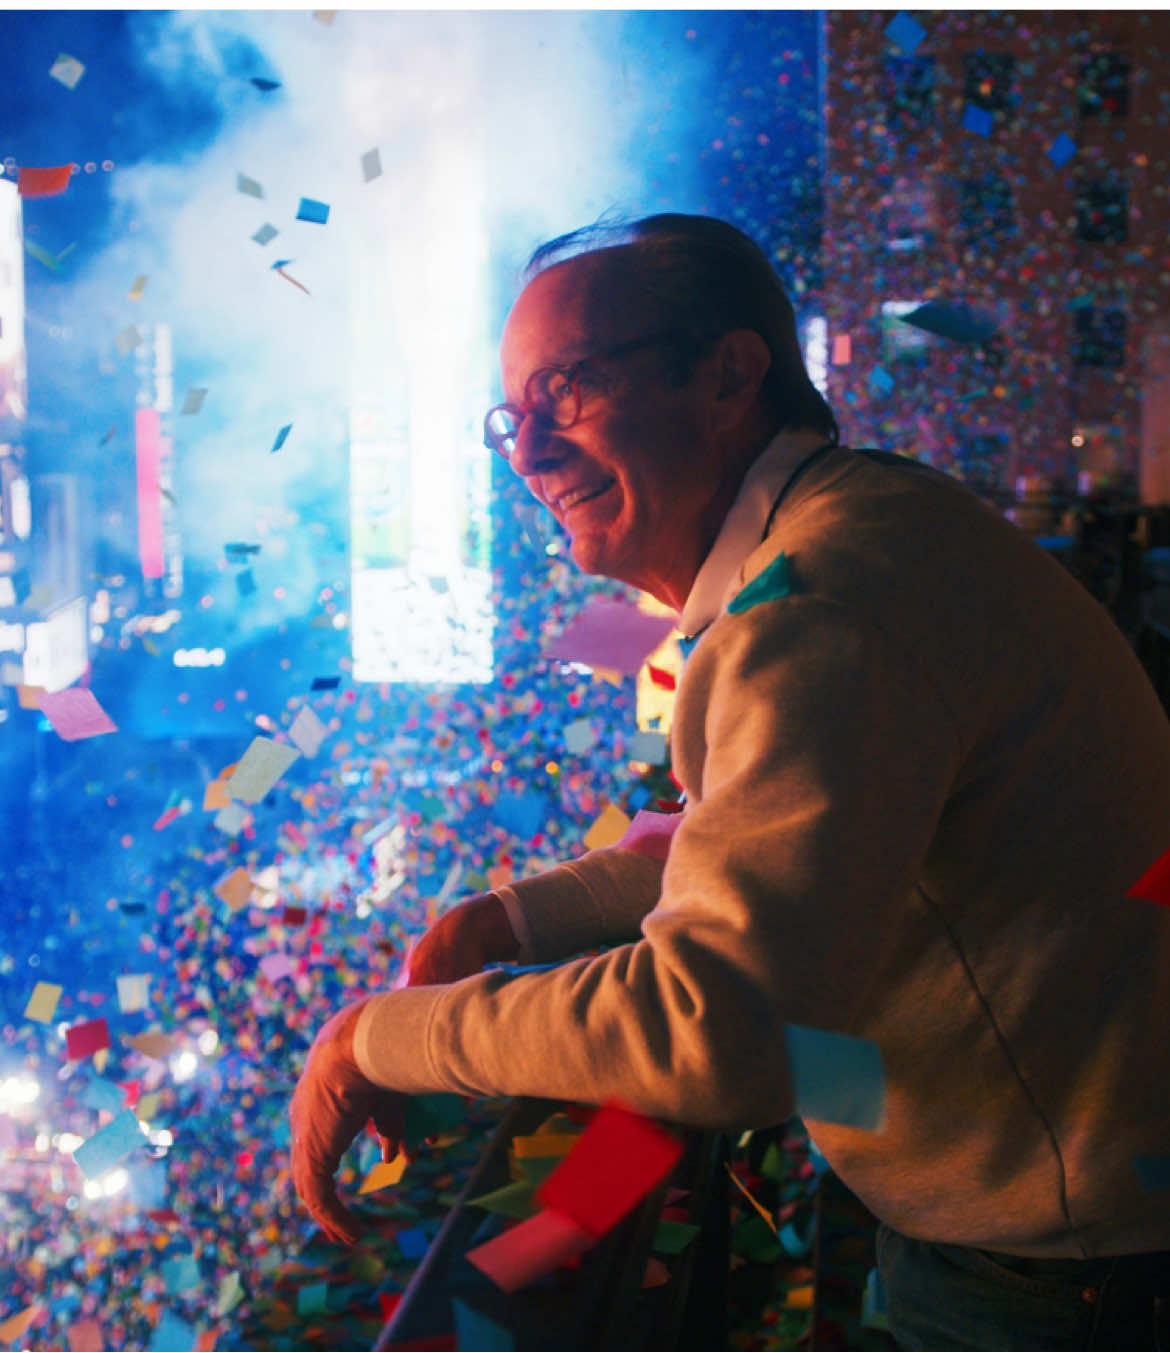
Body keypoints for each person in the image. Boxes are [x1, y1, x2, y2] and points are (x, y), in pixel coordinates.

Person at [290, 213, 1170, 1349]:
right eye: (514, 416)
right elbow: (743, 831)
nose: (527, 453)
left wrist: (379, 1037)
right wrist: (508, 917)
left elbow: (718, 1030)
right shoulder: (855, 531)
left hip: (1068, 1280)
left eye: (566, 391)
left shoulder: (816, 606)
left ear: (729, 374)